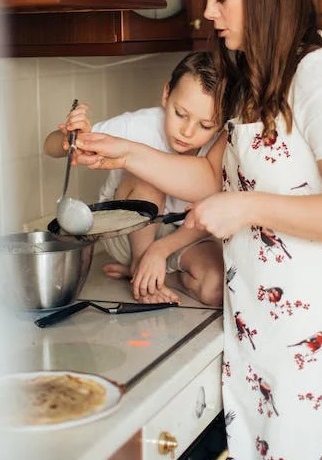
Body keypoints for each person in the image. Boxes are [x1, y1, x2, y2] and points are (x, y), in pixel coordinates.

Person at [73, 0, 322, 460]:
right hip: (266, 329)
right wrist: (124, 151)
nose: (209, 13)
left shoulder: (319, 78)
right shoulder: (253, 79)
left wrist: (248, 206)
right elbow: (212, 179)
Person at [44, 51, 224, 307]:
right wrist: (72, 137)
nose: (187, 131)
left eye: (205, 125)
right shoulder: (138, 126)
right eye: (180, 114)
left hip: (186, 235)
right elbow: (49, 146)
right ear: (166, 95)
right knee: (149, 177)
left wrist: (160, 251)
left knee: (215, 288)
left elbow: (215, 212)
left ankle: (147, 274)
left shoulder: (221, 148)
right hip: (128, 234)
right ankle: (141, 264)